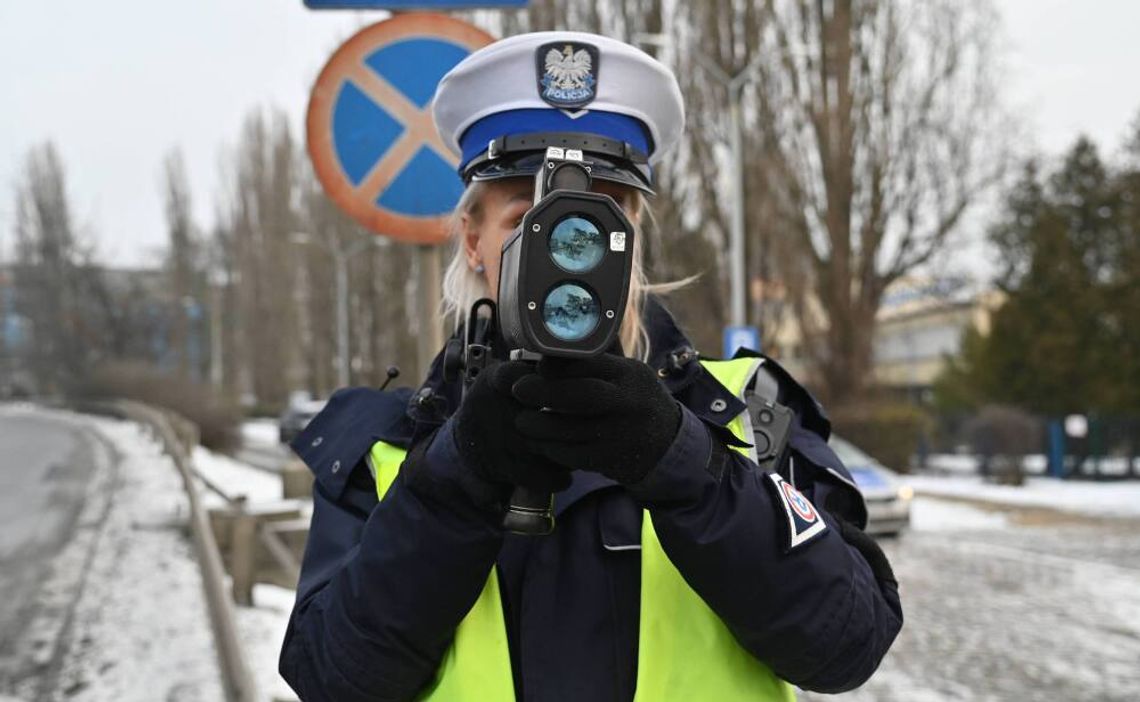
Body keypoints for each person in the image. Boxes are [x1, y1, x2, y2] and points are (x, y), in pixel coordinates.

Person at [280, 30, 902, 702]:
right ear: (474, 239)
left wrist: (688, 466)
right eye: (526, 220)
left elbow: (848, 642)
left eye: (595, 225)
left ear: (634, 240)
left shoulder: (750, 414)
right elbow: (331, 678)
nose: (563, 257)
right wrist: (454, 480)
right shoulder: (386, 447)